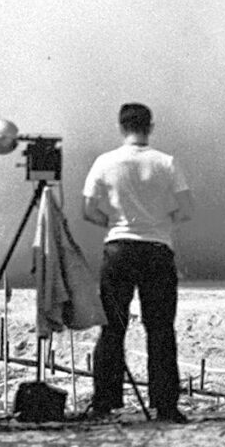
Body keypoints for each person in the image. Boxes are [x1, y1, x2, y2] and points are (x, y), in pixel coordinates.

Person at [80, 101, 193, 422]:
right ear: (150, 127)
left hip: (118, 249)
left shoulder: (105, 162)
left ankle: (105, 402)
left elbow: (88, 209)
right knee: (159, 329)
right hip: (157, 249)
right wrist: (159, 223)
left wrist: (116, 224)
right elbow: (186, 208)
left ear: (121, 127)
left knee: (112, 327)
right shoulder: (166, 163)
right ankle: (165, 406)